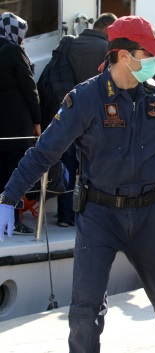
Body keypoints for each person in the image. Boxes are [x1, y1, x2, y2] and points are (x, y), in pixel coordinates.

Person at [0, 16, 155, 353]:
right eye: (148, 54)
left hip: (151, 212)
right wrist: (9, 196)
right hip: (99, 214)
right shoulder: (85, 99)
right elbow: (44, 153)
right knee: (85, 310)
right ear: (124, 56)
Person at [57, 12, 118, 228]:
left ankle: (65, 216)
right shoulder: (107, 51)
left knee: (68, 163)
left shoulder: (71, 44)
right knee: (93, 169)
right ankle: (89, 216)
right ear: (109, 29)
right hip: (98, 118)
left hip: (70, 111)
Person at [0, 12, 41, 237]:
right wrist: (37, 121)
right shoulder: (15, 51)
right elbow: (29, 89)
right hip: (16, 126)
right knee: (14, 176)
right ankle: (12, 222)